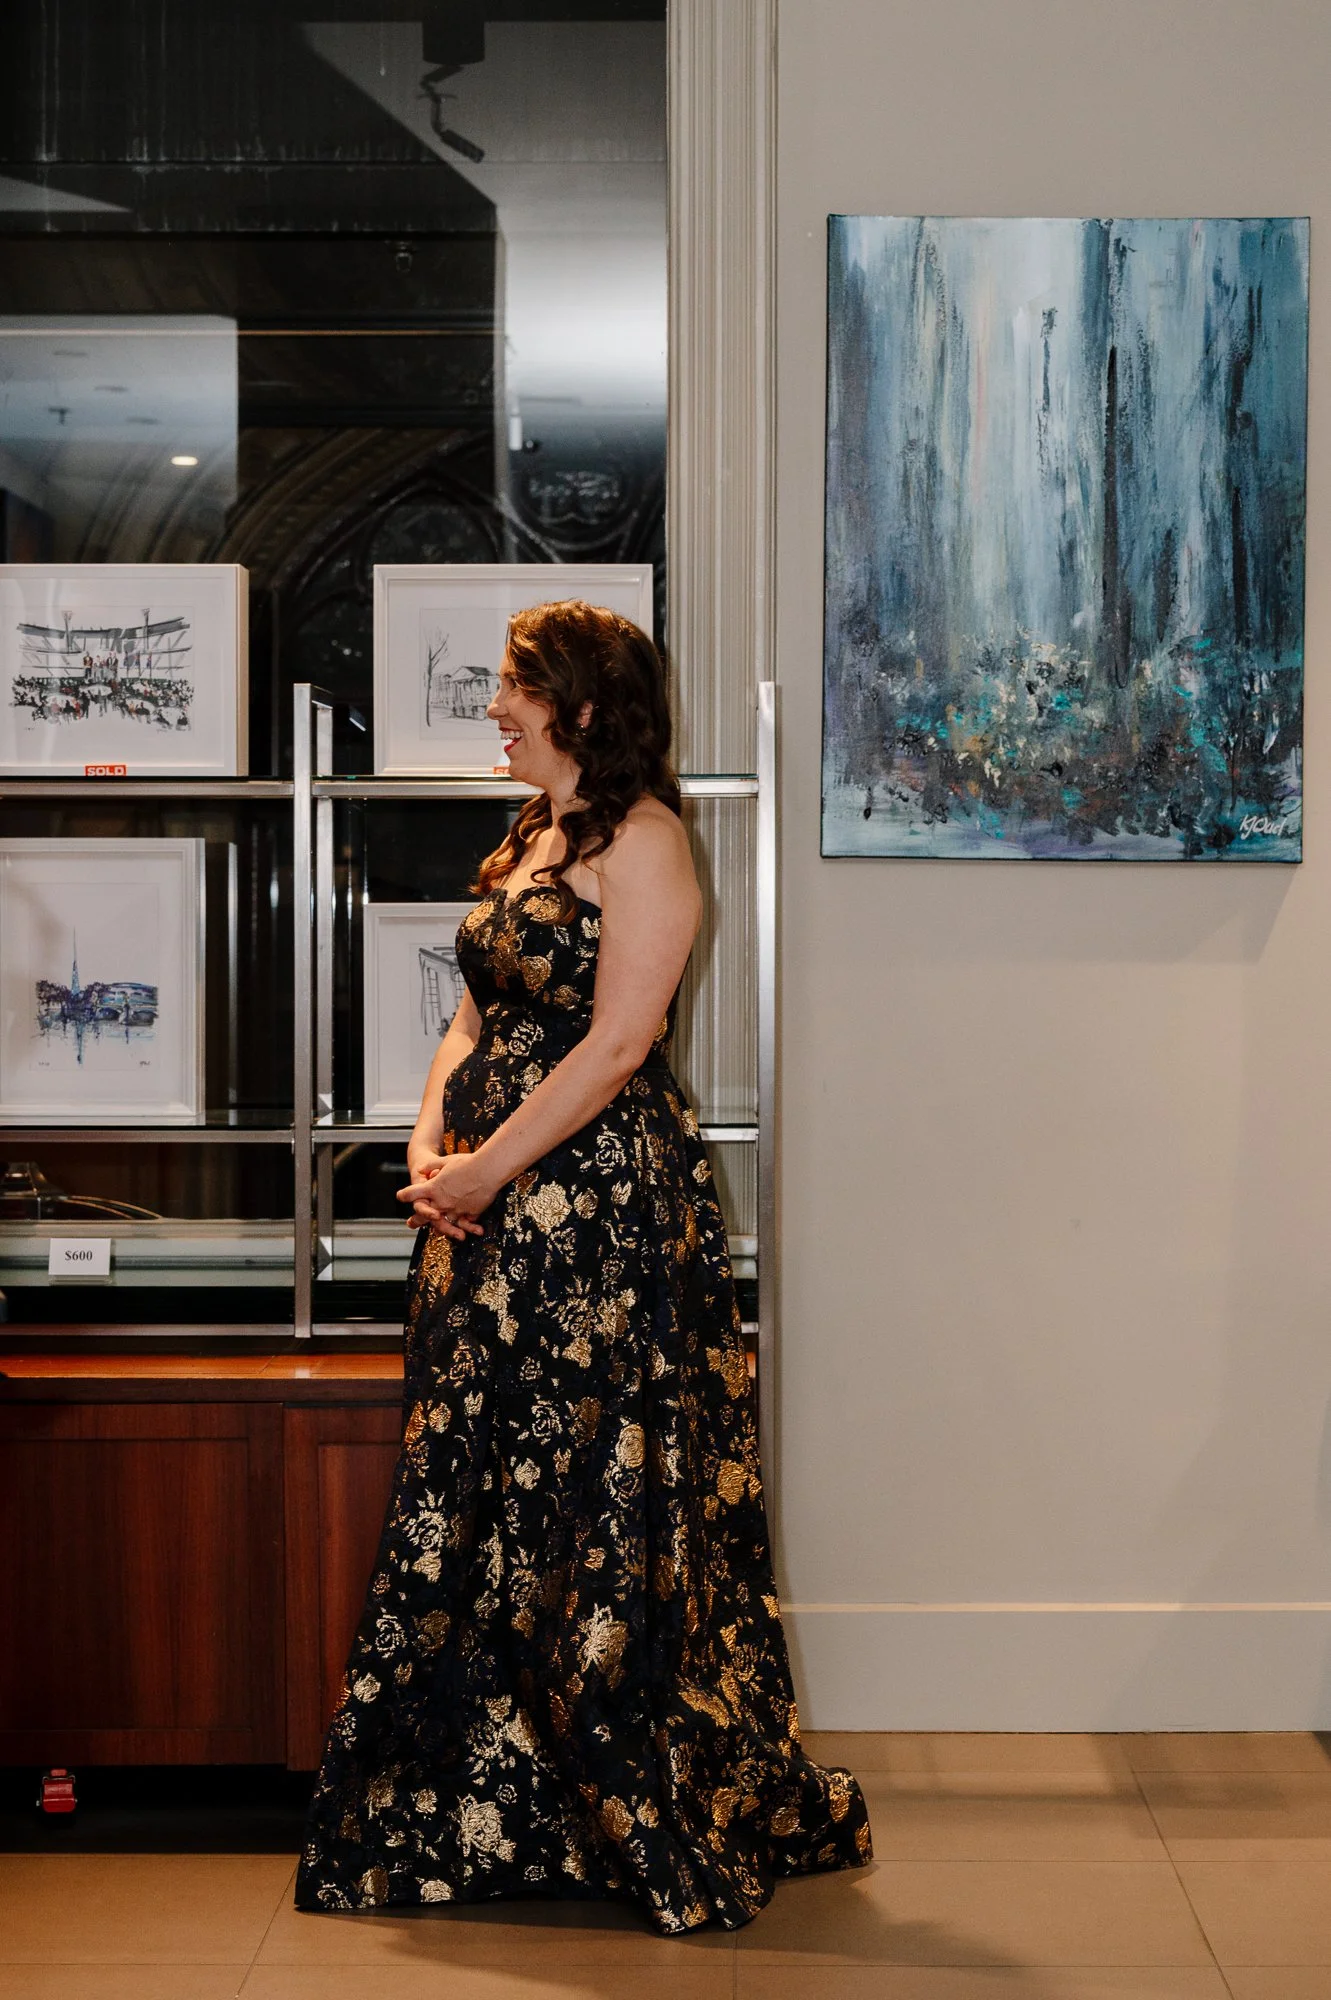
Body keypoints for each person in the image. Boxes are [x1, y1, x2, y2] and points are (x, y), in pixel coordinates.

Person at [294, 599, 871, 1933]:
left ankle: (620, 1795)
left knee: (590, 1495)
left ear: (588, 708)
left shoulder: (650, 842)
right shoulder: (527, 839)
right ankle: (491, 1800)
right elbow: (471, 1014)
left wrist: (487, 1171)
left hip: (598, 1229)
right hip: (490, 1221)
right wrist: (438, 1136)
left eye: (514, 689)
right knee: (487, 1488)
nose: (494, 708)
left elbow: (617, 1048)